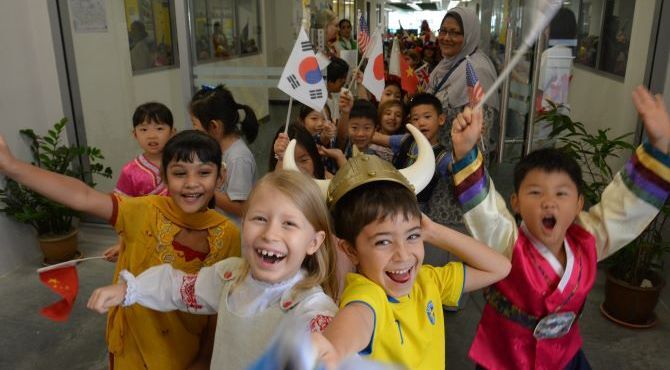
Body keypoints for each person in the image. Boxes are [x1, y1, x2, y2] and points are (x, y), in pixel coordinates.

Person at [449, 86, 670, 370]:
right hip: (505, 357)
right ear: (515, 202)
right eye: (536, 192)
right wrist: (466, 150)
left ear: (579, 204)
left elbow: (621, 212)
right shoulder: (507, 244)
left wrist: (659, 145)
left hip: (563, 357)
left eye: (562, 194)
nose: (549, 203)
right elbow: (485, 213)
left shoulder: (588, 242)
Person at [0, 130, 241, 369]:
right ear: (164, 177)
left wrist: (204, 360)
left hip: (184, 351)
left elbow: (220, 309)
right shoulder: (144, 210)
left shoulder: (228, 234)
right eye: (179, 173)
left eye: (204, 173)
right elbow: (82, 196)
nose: (191, 183)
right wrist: (12, 166)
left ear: (220, 177)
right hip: (133, 347)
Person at [306, 124, 511, 369]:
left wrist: (433, 231)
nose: (403, 254)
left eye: (412, 236)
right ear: (351, 250)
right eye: (383, 241)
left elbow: (500, 267)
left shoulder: (429, 281)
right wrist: (330, 351)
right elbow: (350, 328)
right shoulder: (367, 298)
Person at [87, 170, 338, 370]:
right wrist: (130, 289)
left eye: (289, 223)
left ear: (314, 242)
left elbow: (328, 348)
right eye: (259, 218)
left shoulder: (312, 308)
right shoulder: (230, 276)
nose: (270, 233)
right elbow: (178, 287)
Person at [104, 102, 176, 262]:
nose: (151, 135)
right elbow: (124, 213)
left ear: (172, 132)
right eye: (143, 129)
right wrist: (121, 244)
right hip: (144, 238)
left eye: (159, 128)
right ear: (134, 134)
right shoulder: (130, 171)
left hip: (179, 235)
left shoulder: (182, 165)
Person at [428, 7, 499, 162]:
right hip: (437, 158)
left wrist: (468, 173)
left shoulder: (477, 69)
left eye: (454, 32)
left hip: (459, 163)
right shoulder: (444, 65)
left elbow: (482, 132)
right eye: (443, 31)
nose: (446, 37)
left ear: (469, 35)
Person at [190, 85, 259, 225]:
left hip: (235, 236)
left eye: (196, 126)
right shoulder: (216, 150)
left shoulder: (238, 158)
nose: (194, 130)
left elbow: (241, 208)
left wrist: (204, 188)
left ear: (214, 127)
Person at [319, 99, 378, 170]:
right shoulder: (341, 148)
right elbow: (341, 137)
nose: (360, 134)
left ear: (375, 129)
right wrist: (345, 113)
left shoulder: (376, 159)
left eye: (367, 128)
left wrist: (340, 157)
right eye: (354, 127)